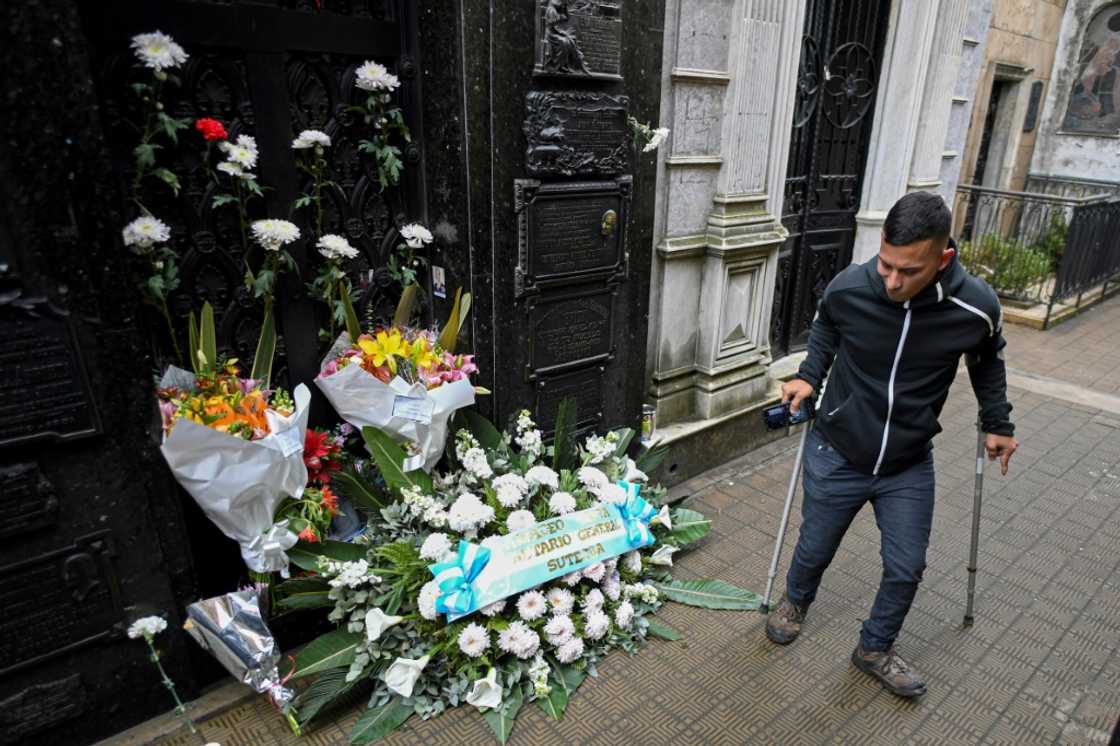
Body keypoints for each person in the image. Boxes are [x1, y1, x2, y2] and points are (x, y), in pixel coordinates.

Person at [766, 191, 1019, 697]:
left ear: (943, 258)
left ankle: (874, 648)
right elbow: (825, 330)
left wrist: (999, 423)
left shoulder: (976, 307)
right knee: (815, 547)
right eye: (886, 265)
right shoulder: (850, 288)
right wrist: (808, 376)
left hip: (907, 461)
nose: (892, 282)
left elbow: (987, 361)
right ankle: (795, 601)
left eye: (909, 271)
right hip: (837, 448)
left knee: (907, 567)